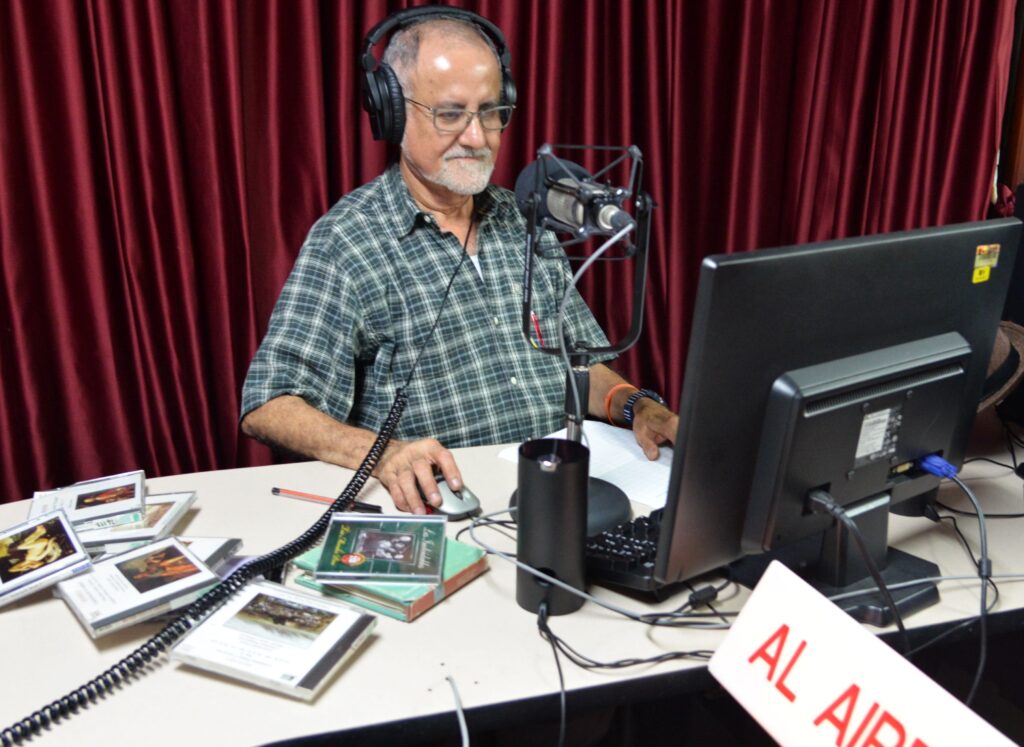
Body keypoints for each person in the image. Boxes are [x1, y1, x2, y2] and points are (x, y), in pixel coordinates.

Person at [240, 8, 678, 515]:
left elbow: (578, 365)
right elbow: (268, 405)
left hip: (555, 497)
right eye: (450, 114)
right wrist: (382, 455)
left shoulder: (524, 218)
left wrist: (635, 406)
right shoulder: (348, 240)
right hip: (451, 515)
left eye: (491, 111)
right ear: (394, 113)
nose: (477, 136)